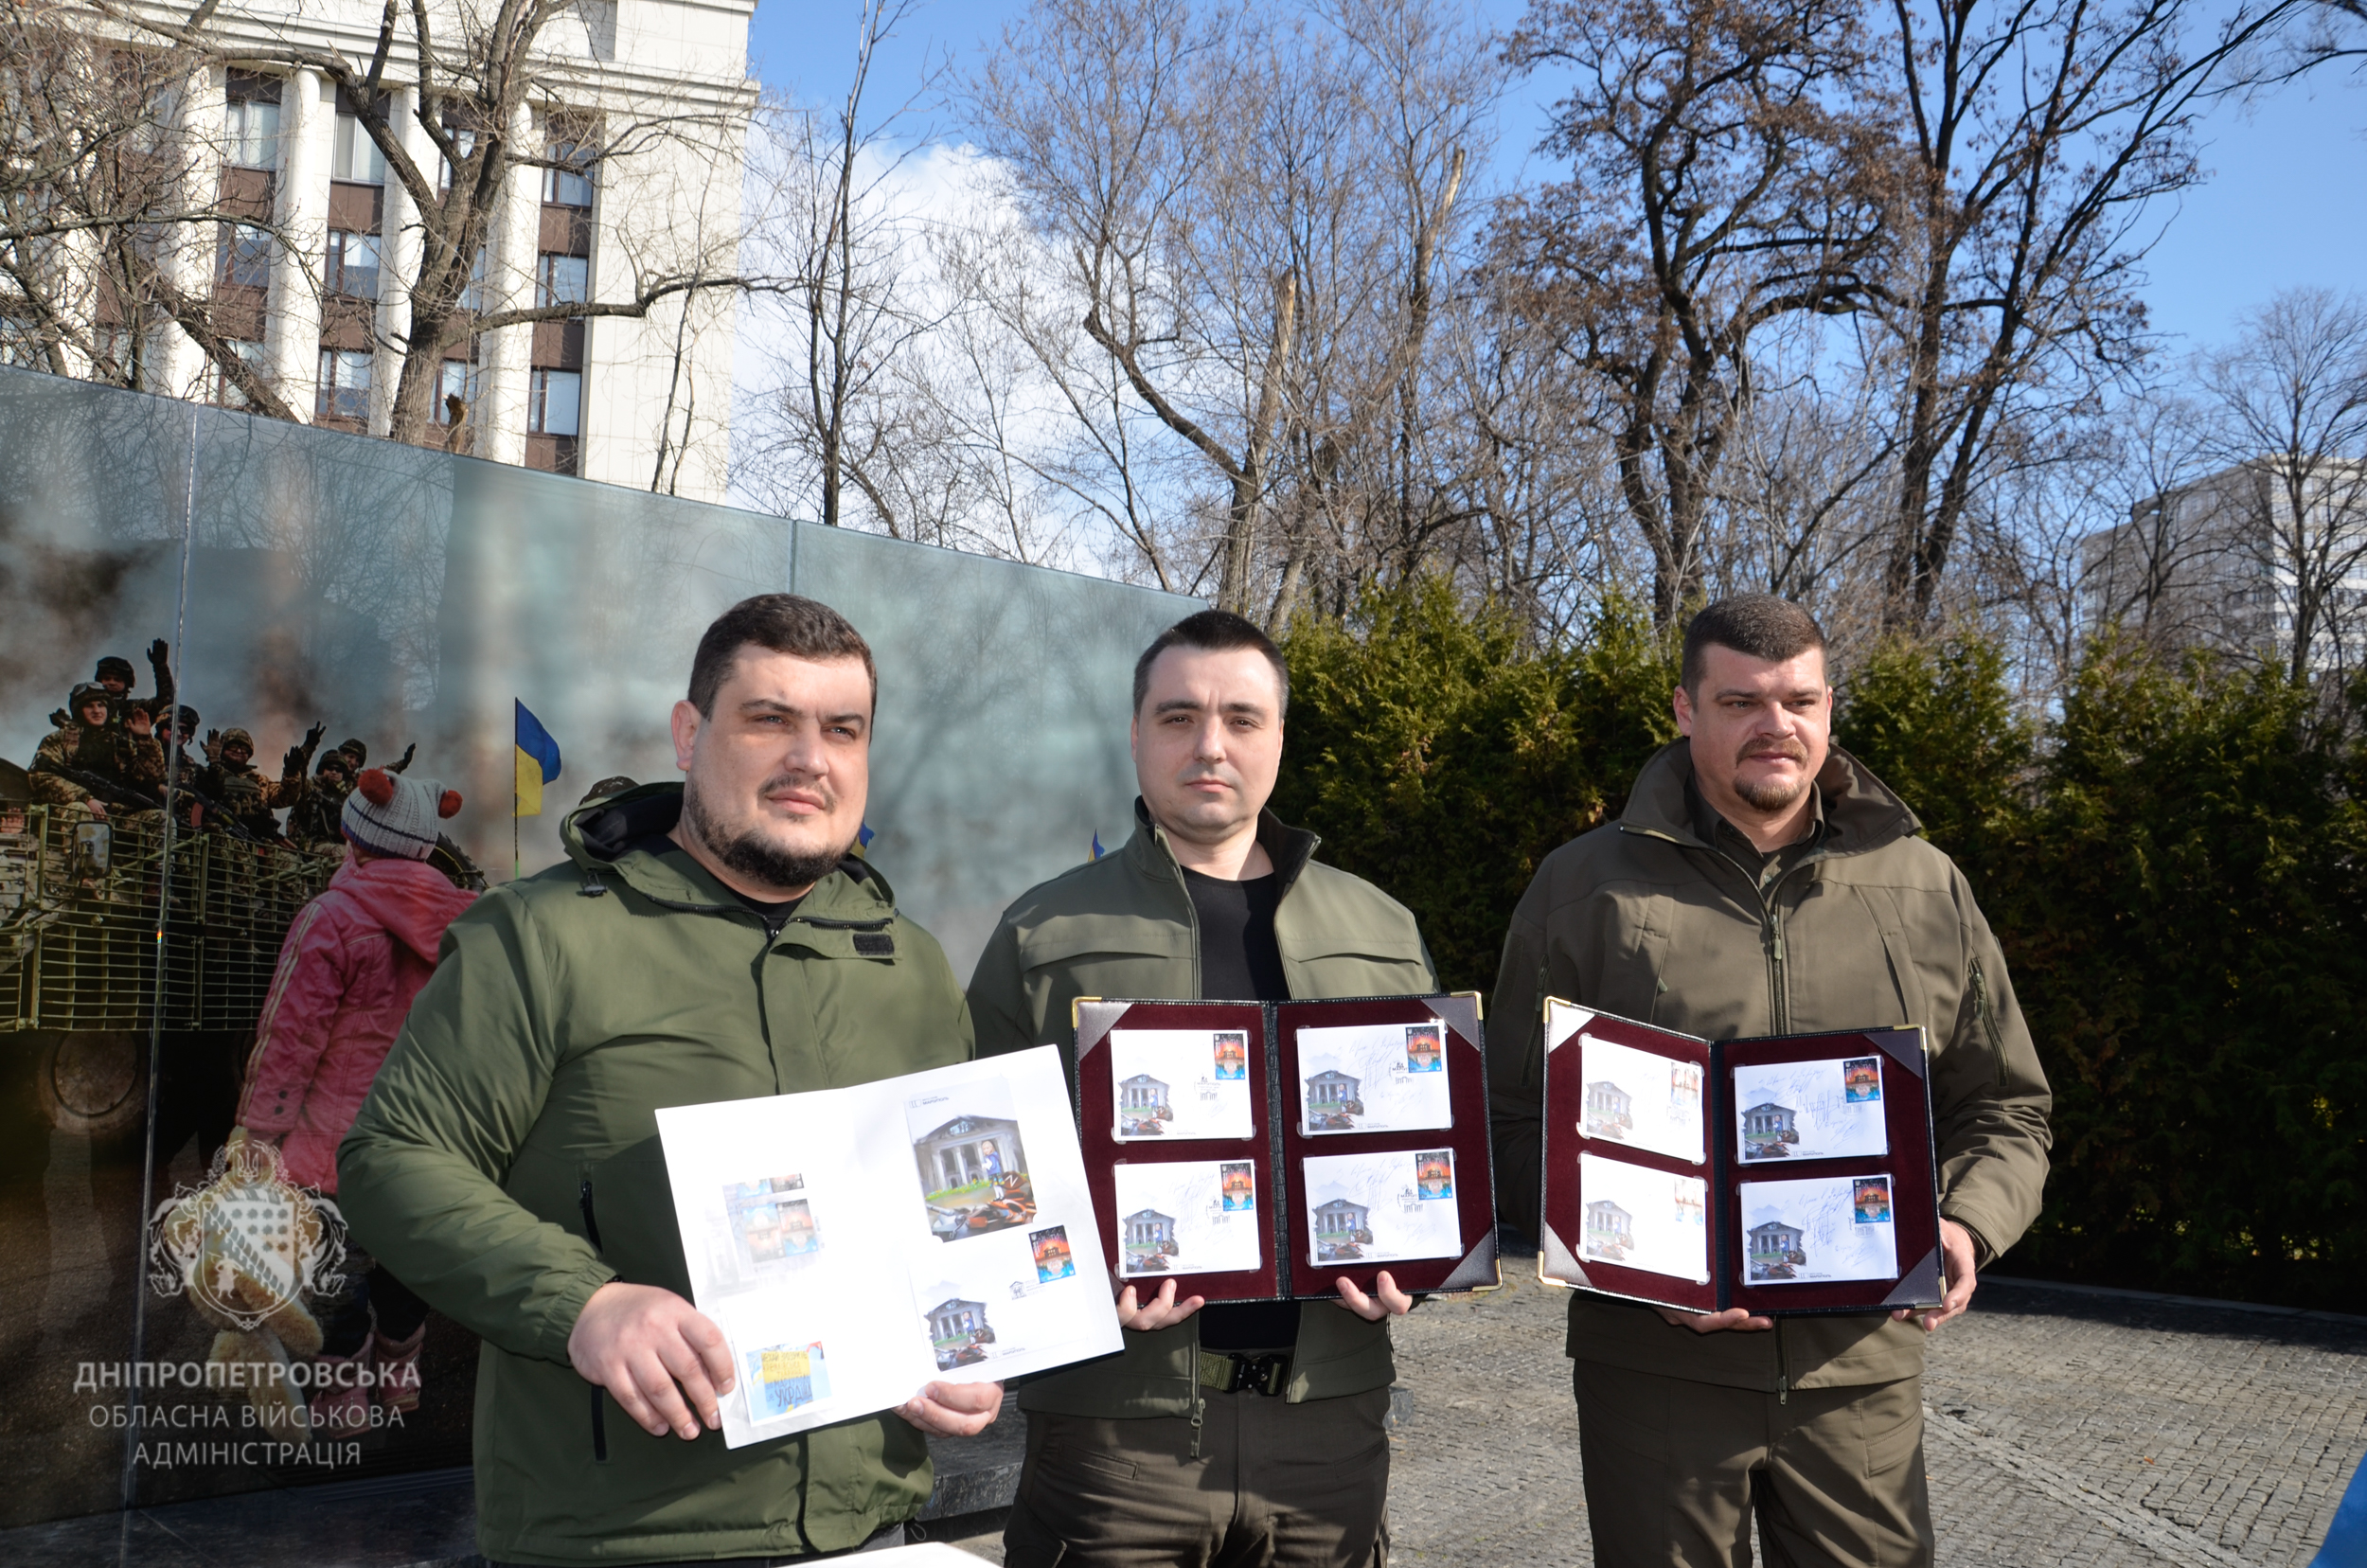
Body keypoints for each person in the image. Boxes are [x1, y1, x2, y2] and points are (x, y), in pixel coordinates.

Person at [338, 594, 996, 1566]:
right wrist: (587, 1305)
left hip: (873, 1528)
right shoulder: (543, 935)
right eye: (769, 719)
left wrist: (962, 1345)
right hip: (622, 1536)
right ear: (689, 735)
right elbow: (392, 1161)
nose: (809, 757)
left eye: (841, 729)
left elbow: (942, 1210)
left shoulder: (909, 964)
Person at [1488, 595, 2053, 1568]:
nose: (1774, 726)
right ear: (1683, 710)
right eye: (1740, 701)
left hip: (1859, 1369)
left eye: (1799, 700)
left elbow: (2006, 1103)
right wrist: (1632, 1263)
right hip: (1656, 1370)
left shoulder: (1922, 885)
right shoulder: (1583, 890)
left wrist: (1965, 1221)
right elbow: (1508, 1119)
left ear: (1829, 707)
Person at [969, 609, 1435, 1568]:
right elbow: (977, 1184)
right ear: (1136, 735)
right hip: (1114, 1433)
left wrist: (1418, 1258)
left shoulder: (1381, 928)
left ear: (1279, 738)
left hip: (1328, 1427)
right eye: (1177, 717)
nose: (1208, 745)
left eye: (1240, 718)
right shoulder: (1042, 933)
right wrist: (1077, 1284)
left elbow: (1426, 1152)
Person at [236, 767, 478, 1432]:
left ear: (352, 837)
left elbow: (291, 1032)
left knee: (330, 1269)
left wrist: (257, 1131)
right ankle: (400, 1371)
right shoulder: (470, 930)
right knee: (405, 1262)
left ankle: (342, 1399)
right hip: (429, 1140)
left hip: (330, 1141)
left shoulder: (331, 916)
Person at [28, 682, 165, 815]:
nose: (97, 711)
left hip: (116, 812)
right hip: (73, 809)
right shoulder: (60, 739)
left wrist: (144, 739)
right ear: (79, 710)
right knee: (79, 809)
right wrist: (85, 798)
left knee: (160, 818)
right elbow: (41, 776)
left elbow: (152, 778)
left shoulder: (119, 742)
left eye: (101, 705)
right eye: (89, 706)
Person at [285, 748, 356, 850]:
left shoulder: (347, 796)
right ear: (322, 770)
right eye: (330, 768)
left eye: (339, 770)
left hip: (335, 843)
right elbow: (301, 781)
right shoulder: (311, 788)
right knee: (344, 853)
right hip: (310, 844)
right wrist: (307, 752)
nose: (334, 772)